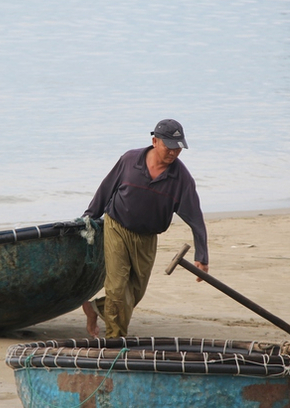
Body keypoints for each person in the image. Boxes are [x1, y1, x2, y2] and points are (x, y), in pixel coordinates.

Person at [81, 119, 209, 338]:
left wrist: (202, 256)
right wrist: (88, 216)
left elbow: (195, 218)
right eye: (169, 145)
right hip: (117, 227)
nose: (173, 152)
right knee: (117, 288)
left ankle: (95, 309)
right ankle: (115, 341)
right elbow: (106, 187)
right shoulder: (130, 160)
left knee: (134, 294)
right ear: (154, 141)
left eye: (178, 147)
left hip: (147, 238)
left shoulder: (181, 179)